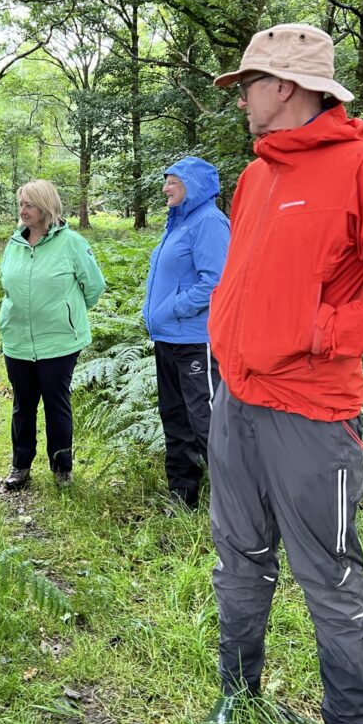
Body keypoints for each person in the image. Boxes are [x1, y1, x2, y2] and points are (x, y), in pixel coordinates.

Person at [195, 24, 363, 724]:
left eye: (249, 85)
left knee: (331, 576)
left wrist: (316, 329)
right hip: (237, 404)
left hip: (313, 417)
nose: (242, 100)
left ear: (285, 86)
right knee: (238, 563)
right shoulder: (257, 176)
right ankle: (237, 699)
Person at [0, 179, 106, 490]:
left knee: (56, 403)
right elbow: (8, 284)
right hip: (17, 340)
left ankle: (62, 468)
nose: (23, 210)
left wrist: (67, 312)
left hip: (59, 341)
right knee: (23, 404)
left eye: (29, 204)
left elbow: (94, 286)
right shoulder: (14, 243)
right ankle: (20, 466)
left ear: (45, 207)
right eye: (21, 204)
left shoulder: (70, 242)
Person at [142, 157, 230, 511]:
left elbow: (217, 281)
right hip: (168, 340)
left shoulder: (209, 222)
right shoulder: (177, 224)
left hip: (196, 341)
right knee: (175, 418)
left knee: (208, 421)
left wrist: (174, 308)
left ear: (193, 185)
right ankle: (183, 496)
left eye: (172, 181)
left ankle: (236, 501)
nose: (165, 188)